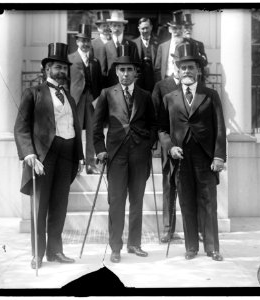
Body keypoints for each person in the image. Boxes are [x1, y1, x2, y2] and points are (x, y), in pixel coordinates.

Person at [14, 43, 84, 269]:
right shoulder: (33, 93)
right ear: (46, 69)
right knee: (40, 207)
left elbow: (74, 125)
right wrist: (29, 154)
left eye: (64, 67)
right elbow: (21, 127)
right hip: (43, 157)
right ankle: (38, 254)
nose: (61, 70)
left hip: (67, 155)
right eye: (56, 66)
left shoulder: (70, 98)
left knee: (59, 206)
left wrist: (80, 156)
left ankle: (56, 251)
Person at [158, 42, 226, 261]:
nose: (187, 71)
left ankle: (212, 247)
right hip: (181, 158)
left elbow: (220, 128)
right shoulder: (169, 98)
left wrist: (218, 156)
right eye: (183, 67)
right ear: (177, 71)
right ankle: (191, 247)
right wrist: (170, 147)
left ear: (199, 70)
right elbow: (161, 129)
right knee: (186, 201)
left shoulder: (210, 95)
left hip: (205, 158)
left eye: (191, 67)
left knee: (208, 202)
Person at [93, 44, 157, 263]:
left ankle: (134, 244)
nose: (126, 74)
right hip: (116, 155)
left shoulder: (145, 95)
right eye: (122, 70)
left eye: (130, 69)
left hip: (139, 154)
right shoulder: (106, 94)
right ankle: (115, 247)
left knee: (137, 200)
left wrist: (147, 143)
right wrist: (100, 150)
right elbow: (95, 128)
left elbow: (153, 125)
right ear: (116, 71)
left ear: (136, 72)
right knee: (117, 201)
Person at [151, 60, 181, 243]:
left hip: (191, 144)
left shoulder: (195, 87)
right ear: (173, 65)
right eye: (179, 64)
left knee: (192, 187)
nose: (182, 69)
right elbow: (156, 116)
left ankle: (199, 229)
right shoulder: (162, 86)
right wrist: (158, 144)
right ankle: (168, 229)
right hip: (169, 142)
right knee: (169, 186)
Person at [69, 24, 103, 174]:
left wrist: (98, 99)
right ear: (77, 42)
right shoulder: (70, 59)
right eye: (82, 41)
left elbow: (99, 83)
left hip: (91, 99)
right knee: (74, 131)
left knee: (92, 130)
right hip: (76, 99)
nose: (85, 44)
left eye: (88, 41)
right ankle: (76, 163)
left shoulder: (95, 62)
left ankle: (90, 163)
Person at [104, 10, 140, 87]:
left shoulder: (132, 45)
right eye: (114, 25)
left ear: (123, 27)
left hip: (129, 86)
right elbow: (103, 71)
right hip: (111, 87)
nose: (117, 28)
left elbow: (137, 69)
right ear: (110, 27)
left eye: (119, 25)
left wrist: (133, 85)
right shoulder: (105, 46)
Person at [154, 10, 184, 82]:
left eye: (180, 28)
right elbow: (157, 68)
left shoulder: (188, 45)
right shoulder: (162, 46)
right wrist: (160, 83)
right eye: (175, 28)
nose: (178, 31)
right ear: (169, 29)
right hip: (166, 80)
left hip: (182, 81)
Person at [132, 17, 158, 92]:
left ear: (151, 27)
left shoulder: (158, 43)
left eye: (147, 28)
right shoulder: (133, 43)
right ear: (139, 29)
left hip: (154, 80)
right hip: (138, 81)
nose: (145, 31)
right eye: (143, 28)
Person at [182, 12, 208, 85]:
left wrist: (198, 56)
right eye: (186, 28)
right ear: (181, 28)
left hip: (197, 79)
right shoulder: (177, 44)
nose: (188, 30)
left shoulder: (199, 44)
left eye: (190, 28)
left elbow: (205, 62)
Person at [91, 10, 110, 86]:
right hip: (98, 80)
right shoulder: (92, 43)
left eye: (108, 25)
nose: (106, 28)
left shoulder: (114, 42)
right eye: (103, 26)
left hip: (113, 79)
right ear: (98, 28)